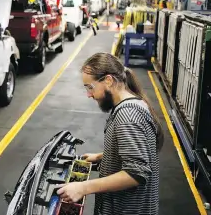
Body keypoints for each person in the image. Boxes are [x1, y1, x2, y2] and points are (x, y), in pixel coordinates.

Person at [57, 52, 164, 215]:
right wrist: (103, 157)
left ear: (108, 80)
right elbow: (138, 152)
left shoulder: (127, 116)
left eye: (90, 87)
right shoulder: (133, 104)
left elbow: (136, 173)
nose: (89, 94)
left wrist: (83, 187)